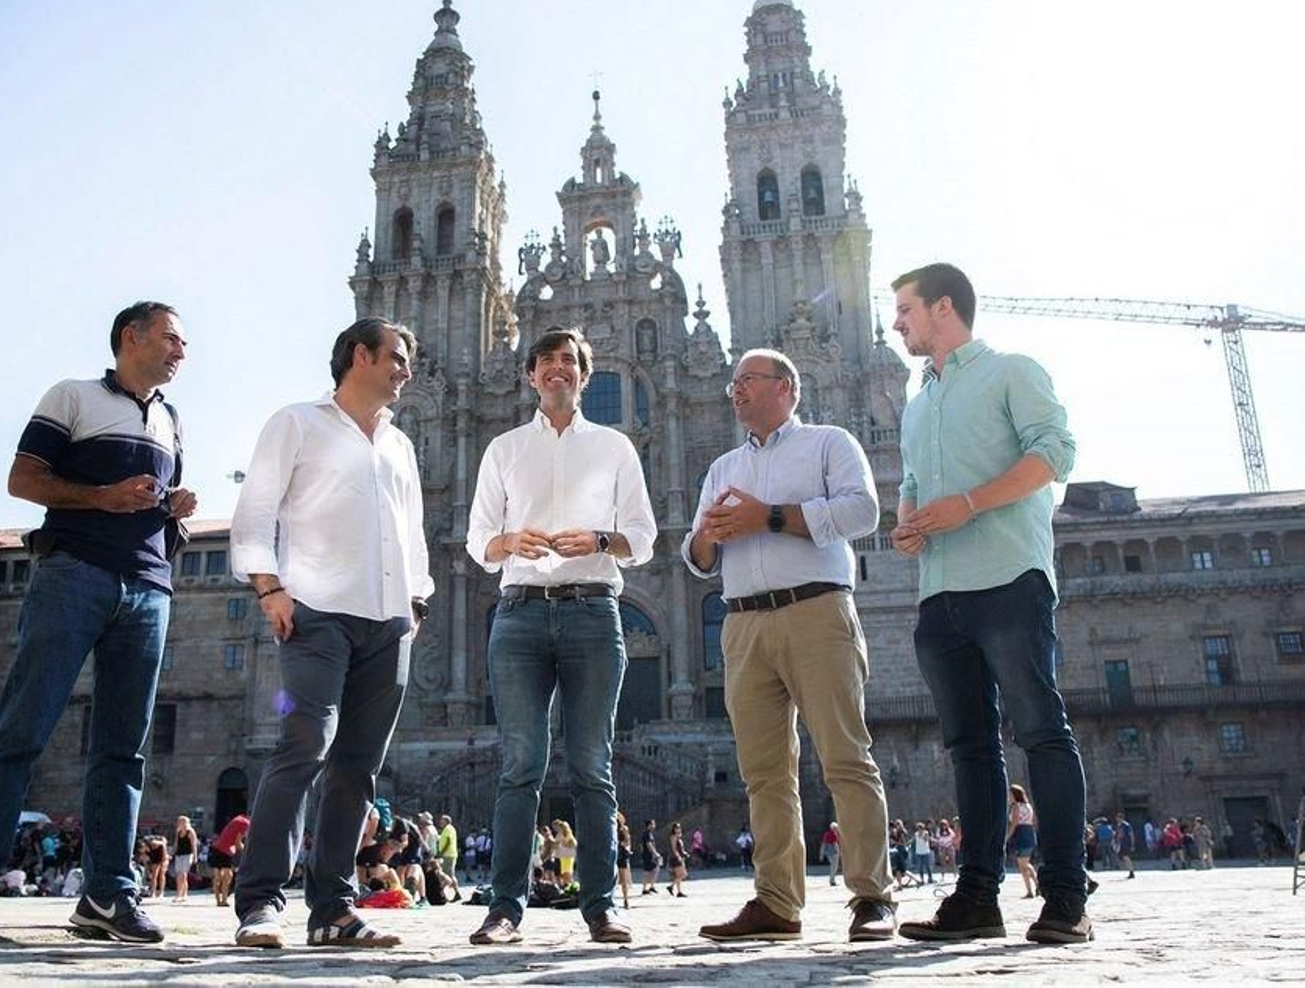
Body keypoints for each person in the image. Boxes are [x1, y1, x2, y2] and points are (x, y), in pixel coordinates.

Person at [0, 301, 196, 944]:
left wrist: (173, 507)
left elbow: (154, 502)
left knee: (123, 749)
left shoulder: (169, 418)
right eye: (172, 338)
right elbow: (23, 479)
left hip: (148, 588)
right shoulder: (73, 396)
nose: (181, 351)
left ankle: (107, 894)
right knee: (21, 729)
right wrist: (102, 497)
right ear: (131, 337)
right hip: (74, 572)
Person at [889, 264, 1090, 946]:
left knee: (1042, 733)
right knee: (970, 749)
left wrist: (971, 503)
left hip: (1008, 578)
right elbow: (911, 482)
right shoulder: (917, 405)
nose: (897, 322)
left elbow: (1056, 453)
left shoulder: (1012, 371)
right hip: (939, 593)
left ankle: (1065, 896)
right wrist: (908, 522)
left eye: (906, 309)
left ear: (943, 307)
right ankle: (977, 897)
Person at [228, 318, 433, 949]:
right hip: (315, 613)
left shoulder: (399, 444)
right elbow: (255, 511)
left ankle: (333, 910)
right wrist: (269, 587)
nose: (406, 370)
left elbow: (412, 529)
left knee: (358, 767)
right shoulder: (297, 422)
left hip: (389, 620)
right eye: (397, 357)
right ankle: (260, 902)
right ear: (360, 355)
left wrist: (417, 603)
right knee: (304, 745)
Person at [685, 348, 896, 945]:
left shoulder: (830, 444)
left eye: (747, 380)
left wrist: (769, 517)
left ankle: (872, 897)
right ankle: (777, 902)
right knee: (764, 773)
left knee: (845, 758)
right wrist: (707, 536)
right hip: (743, 622)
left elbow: (863, 512)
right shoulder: (723, 467)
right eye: (732, 382)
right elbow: (697, 559)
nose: (735, 390)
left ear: (786, 388)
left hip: (816, 612)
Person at [463, 327, 658, 947]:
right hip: (518, 614)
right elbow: (477, 542)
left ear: (583, 376)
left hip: (593, 611)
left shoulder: (614, 447)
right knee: (520, 766)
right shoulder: (503, 449)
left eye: (568, 361)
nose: (557, 369)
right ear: (531, 375)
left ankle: (601, 907)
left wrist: (600, 540)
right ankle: (503, 910)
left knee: (592, 765)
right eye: (546, 360)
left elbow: (643, 539)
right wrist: (507, 542)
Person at [208, 814, 249, 907]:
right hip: (225, 851)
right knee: (228, 876)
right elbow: (237, 843)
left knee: (217, 876)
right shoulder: (246, 824)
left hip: (216, 848)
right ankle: (224, 901)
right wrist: (247, 851)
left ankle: (218, 901)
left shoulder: (238, 819)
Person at [1007, 787, 1037, 898]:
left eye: (1010, 794)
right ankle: (1037, 885)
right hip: (1029, 833)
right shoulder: (1028, 806)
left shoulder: (1016, 806)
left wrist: (1007, 837)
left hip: (1021, 835)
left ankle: (1030, 891)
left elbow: (1014, 823)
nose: (1009, 797)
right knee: (1026, 864)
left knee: (1023, 866)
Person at [171, 816, 198, 903]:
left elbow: (194, 845)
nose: (180, 823)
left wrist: (195, 856)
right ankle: (183, 894)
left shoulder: (190, 832)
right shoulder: (178, 832)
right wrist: (172, 853)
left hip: (187, 854)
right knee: (180, 875)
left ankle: (179, 894)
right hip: (179, 855)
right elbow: (176, 843)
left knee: (182, 874)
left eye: (182, 822)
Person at [639, 819, 662, 896]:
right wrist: (656, 854)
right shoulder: (647, 834)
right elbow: (649, 845)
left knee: (653, 870)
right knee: (649, 872)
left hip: (649, 855)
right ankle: (646, 888)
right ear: (649, 825)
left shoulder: (649, 833)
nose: (654, 825)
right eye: (653, 824)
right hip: (648, 856)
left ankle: (649, 887)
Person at [667, 822, 689, 897]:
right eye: (676, 828)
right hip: (676, 858)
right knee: (684, 874)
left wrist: (684, 853)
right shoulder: (673, 837)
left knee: (678, 875)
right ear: (673, 829)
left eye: (679, 827)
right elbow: (674, 848)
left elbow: (680, 848)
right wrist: (678, 857)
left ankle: (679, 892)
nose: (678, 829)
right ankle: (671, 886)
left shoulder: (678, 836)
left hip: (680, 857)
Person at [1113, 812, 1136, 880]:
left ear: (1121, 818)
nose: (1117, 819)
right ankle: (1130, 870)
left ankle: (1131, 871)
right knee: (1123, 857)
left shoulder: (1126, 825)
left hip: (1126, 843)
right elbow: (1117, 834)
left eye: (1118, 817)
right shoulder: (1119, 825)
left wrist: (1132, 844)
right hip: (1121, 844)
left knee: (1126, 857)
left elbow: (1131, 834)